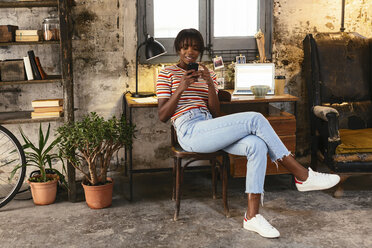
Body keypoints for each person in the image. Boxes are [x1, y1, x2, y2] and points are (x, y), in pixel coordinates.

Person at [156, 28, 340, 239]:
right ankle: (302, 175)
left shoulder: (208, 74)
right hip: (189, 131)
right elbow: (162, 115)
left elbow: (215, 112)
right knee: (255, 118)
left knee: (257, 145)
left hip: (210, 125)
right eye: (186, 47)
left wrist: (208, 83)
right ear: (178, 47)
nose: (190, 52)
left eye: (196, 48)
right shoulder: (166, 73)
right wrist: (180, 88)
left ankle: (252, 216)